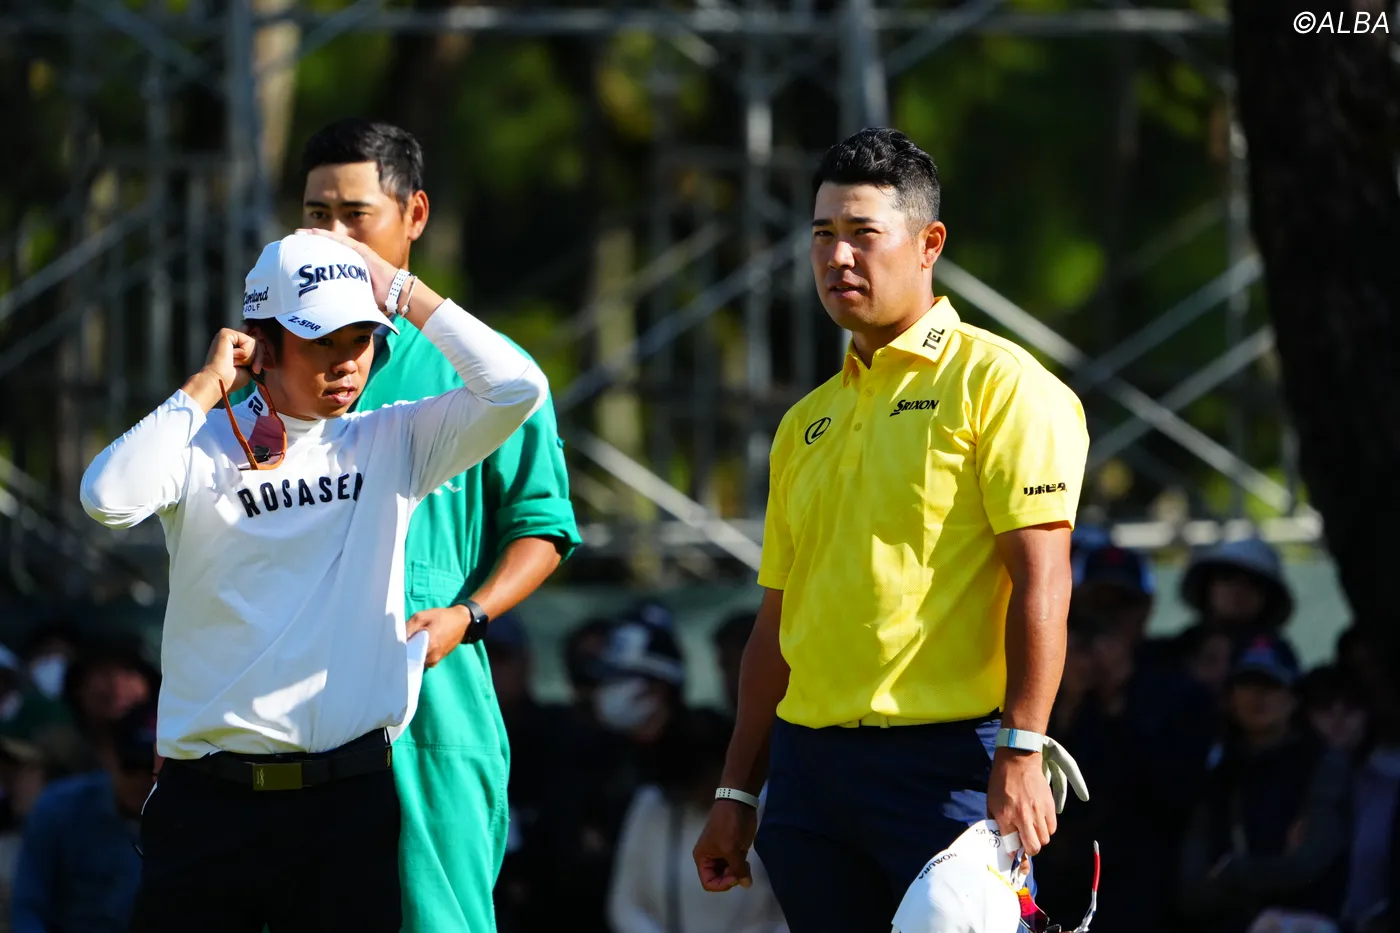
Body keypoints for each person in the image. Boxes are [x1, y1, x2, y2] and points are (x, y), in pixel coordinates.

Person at [79, 229, 548, 931]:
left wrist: (399, 288)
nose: (348, 361)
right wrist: (207, 385)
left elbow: (520, 387)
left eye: (362, 339)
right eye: (322, 340)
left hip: (347, 806)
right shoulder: (199, 443)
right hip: (209, 805)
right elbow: (107, 497)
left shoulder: (395, 437)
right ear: (263, 347)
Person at [692, 127, 1091, 931]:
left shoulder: (1002, 384)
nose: (838, 257)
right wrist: (737, 789)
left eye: (863, 234)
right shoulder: (804, 423)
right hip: (809, 776)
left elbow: (1043, 578)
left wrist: (1022, 746)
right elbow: (778, 622)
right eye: (822, 235)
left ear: (928, 244)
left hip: (948, 766)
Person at [295, 119, 580, 933]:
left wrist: (469, 614)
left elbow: (543, 525)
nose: (333, 236)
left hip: (433, 704)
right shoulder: (270, 367)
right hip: (292, 709)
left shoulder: (486, 372)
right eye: (316, 215)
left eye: (356, 215)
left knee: (437, 917)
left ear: (414, 215)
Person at [11, 702, 153, 933]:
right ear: (111, 758)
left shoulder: (192, 822)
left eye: (151, 769)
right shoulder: (60, 808)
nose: (141, 780)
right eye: (131, 766)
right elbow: (28, 906)